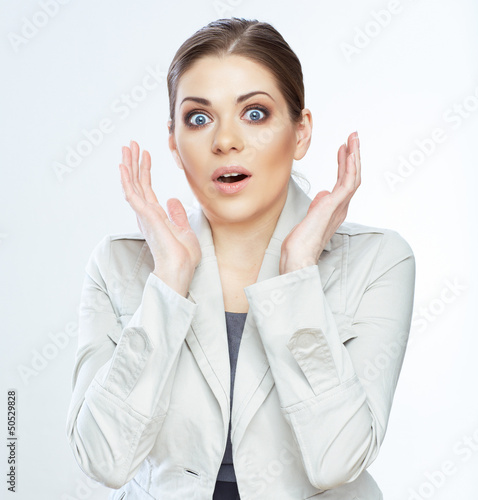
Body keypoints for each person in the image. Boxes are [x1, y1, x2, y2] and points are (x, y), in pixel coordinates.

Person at [66, 17, 415, 500]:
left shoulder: (379, 260)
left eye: (254, 113)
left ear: (301, 132)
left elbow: (338, 460)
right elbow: (103, 460)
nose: (225, 141)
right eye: (199, 118)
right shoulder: (118, 265)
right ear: (173, 142)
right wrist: (168, 284)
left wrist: (296, 276)